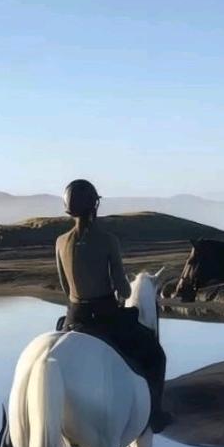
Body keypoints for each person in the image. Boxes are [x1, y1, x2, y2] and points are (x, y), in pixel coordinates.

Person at [55, 179, 171, 432]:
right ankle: (155, 413)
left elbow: (65, 287)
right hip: (105, 318)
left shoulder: (60, 242)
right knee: (155, 354)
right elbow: (124, 289)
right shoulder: (107, 240)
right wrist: (122, 290)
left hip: (75, 318)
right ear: (94, 205)